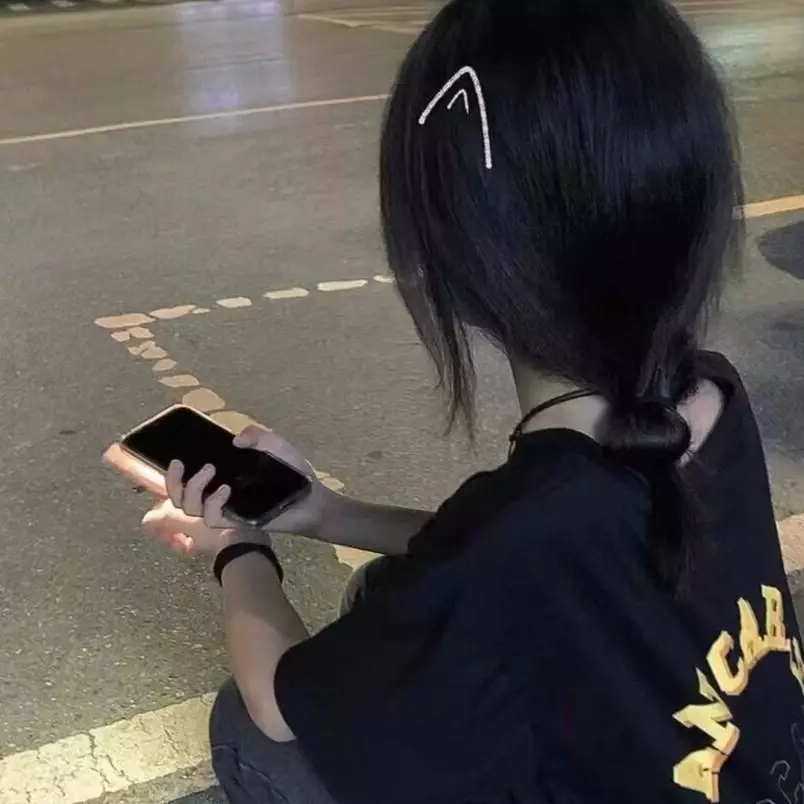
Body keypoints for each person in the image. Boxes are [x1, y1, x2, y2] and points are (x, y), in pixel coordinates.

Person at [138, 0, 804, 801]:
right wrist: (326, 513)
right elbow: (525, 559)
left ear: (452, 261)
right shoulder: (710, 391)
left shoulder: (519, 532)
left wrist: (237, 546)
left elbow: (277, 701)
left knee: (244, 734)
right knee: (385, 597)